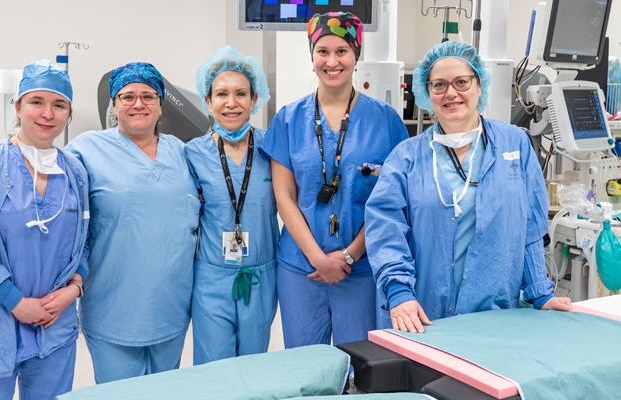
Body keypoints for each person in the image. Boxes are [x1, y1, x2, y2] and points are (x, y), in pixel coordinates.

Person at [364, 41, 573, 334]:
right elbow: (386, 231)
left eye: (461, 82)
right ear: (427, 92)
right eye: (439, 85)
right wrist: (399, 293)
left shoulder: (515, 144)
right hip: (421, 314)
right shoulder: (406, 156)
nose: (451, 93)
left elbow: (530, 225)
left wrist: (541, 292)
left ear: (478, 84)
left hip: (494, 312)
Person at [259, 12, 408, 348]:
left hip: (362, 269)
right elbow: (284, 197)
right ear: (311, 57)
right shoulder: (288, 119)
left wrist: (351, 255)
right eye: (322, 51)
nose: (332, 61)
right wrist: (318, 259)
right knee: (304, 367)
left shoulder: (386, 121)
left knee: (360, 365)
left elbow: (392, 201)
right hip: (301, 268)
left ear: (356, 55)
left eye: (341, 51)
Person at [0, 60, 89, 400]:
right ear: (18, 106)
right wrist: (15, 301)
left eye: (59, 105)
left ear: (69, 113)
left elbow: (84, 242)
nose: (47, 114)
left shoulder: (76, 173)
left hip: (53, 326)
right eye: (37, 102)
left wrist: (74, 289)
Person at [64, 62, 199, 383]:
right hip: (115, 306)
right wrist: (0, 150)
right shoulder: (86, 149)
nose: (138, 104)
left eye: (148, 96)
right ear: (114, 104)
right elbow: (40, 173)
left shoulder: (183, 153)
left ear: (161, 104)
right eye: (127, 97)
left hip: (171, 303)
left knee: (165, 390)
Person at [184, 46, 278, 365]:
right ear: (208, 101)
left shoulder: (273, 149)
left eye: (241, 93)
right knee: (214, 368)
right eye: (221, 94)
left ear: (254, 99)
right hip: (211, 276)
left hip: (261, 274)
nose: (231, 102)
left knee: (253, 366)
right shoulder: (192, 155)